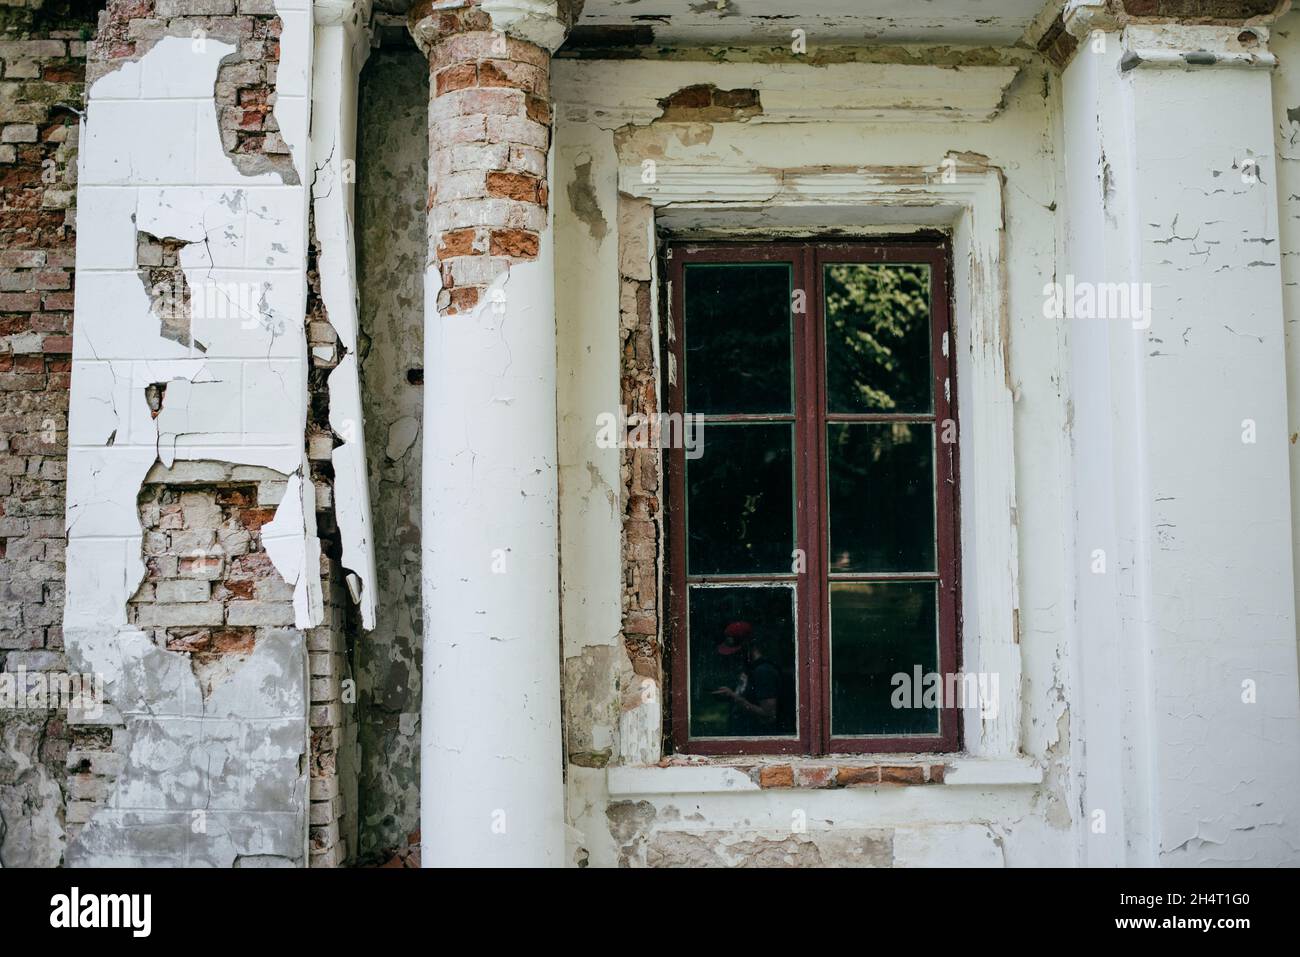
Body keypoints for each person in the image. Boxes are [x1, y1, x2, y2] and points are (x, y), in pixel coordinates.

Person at [712, 620, 782, 735]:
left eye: (736, 652)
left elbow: (769, 715)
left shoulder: (764, 672)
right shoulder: (749, 670)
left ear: (748, 646)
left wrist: (733, 697)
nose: (733, 656)